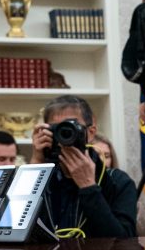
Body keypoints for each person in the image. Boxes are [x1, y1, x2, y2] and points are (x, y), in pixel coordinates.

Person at [31, 95, 138, 238]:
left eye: (70, 127)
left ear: (91, 132)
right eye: (58, 129)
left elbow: (124, 242)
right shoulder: (43, 177)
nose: (64, 135)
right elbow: (13, 228)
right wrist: (36, 161)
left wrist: (88, 186)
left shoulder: (118, 181)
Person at [91, 132, 145, 237]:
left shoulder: (122, 184)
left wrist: (132, 206)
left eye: (107, 156)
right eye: (97, 155)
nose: (102, 160)